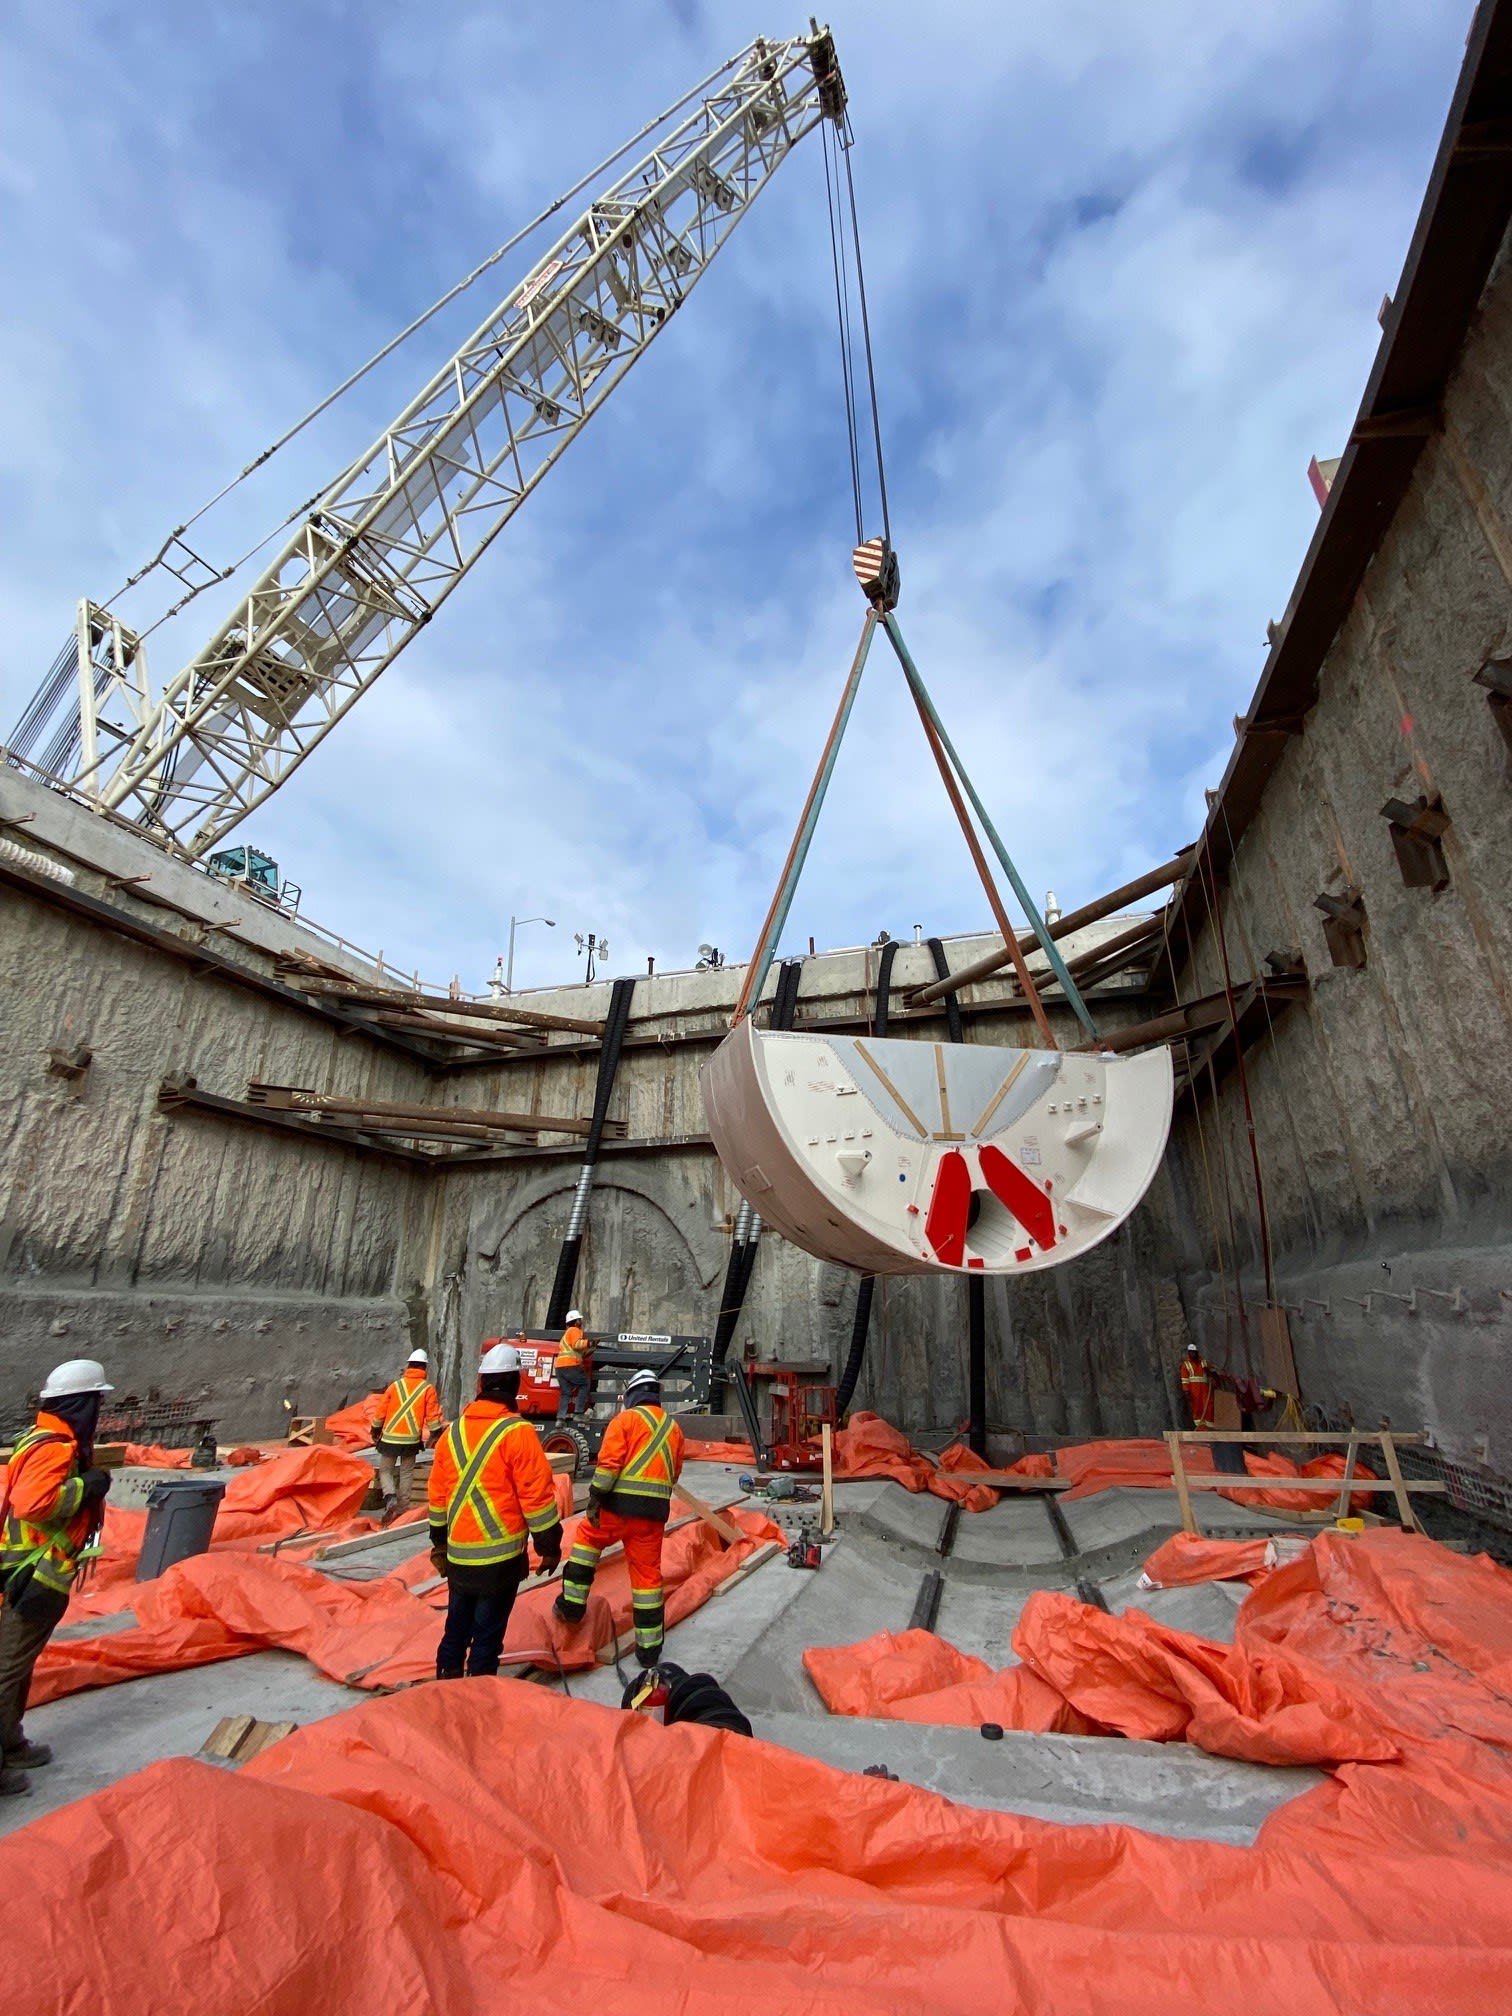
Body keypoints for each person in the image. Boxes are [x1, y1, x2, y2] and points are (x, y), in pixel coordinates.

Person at [0, 1359, 114, 1799]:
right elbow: (33, 1503)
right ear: (81, 1405)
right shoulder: (56, 1447)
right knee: (7, 1670)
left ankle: (11, 1744)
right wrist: (89, 1486)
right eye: (96, 1403)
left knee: (17, 1666)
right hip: (33, 1573)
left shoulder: (42, 1436)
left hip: (27, 1567)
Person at [427, 1342, 562, 1680]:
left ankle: (444, 1689)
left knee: (455, 1630)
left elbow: (437, 1497)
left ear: (481, 1384)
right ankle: (478, 1702)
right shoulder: (518, 1434)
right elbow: (538, 1500)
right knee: (486, 1640)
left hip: (459, 1559)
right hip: (499, 1564)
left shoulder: (452, 1433)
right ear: (516, 1384)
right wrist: (548, 1549)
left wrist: (440, 1544)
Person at [554, 1367, 684, 1667]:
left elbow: (609, 1466)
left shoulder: (624, 1420)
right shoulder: (673, 1429)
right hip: (652, 1516)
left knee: (587, 1540)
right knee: (647, 1577)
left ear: (633, 1396)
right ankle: (649, 1650)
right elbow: (674, 1474)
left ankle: (572, 1606)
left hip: (616, 1508)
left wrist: (596, 1498)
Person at [372, 1348, 444, 1521]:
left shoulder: (395, 1386)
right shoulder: (427, 1389)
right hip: (411, 1441)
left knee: (385, 1471)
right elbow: (433, 1415)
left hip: (389, 1438)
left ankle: (390, 1497)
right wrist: (436, 1433)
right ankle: (402, 1510)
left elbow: (381, 1411)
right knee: (406, 1473)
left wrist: (375, 1429)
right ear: (424, 1368)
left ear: (409, 1366)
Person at [553, 1310, 591, 1423]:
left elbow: (576, 1351)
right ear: (575, 1322)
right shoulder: (574, 1330)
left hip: (560, 1367)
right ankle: (578, 1413)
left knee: (565, 1393)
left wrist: (590, 1347)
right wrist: (588, 1343)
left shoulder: (566, 1334)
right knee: (584, 1384)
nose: (581, 1321)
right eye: (579, 1319)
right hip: (570, 1365)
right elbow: (577, 1345)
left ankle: (560, 1418)